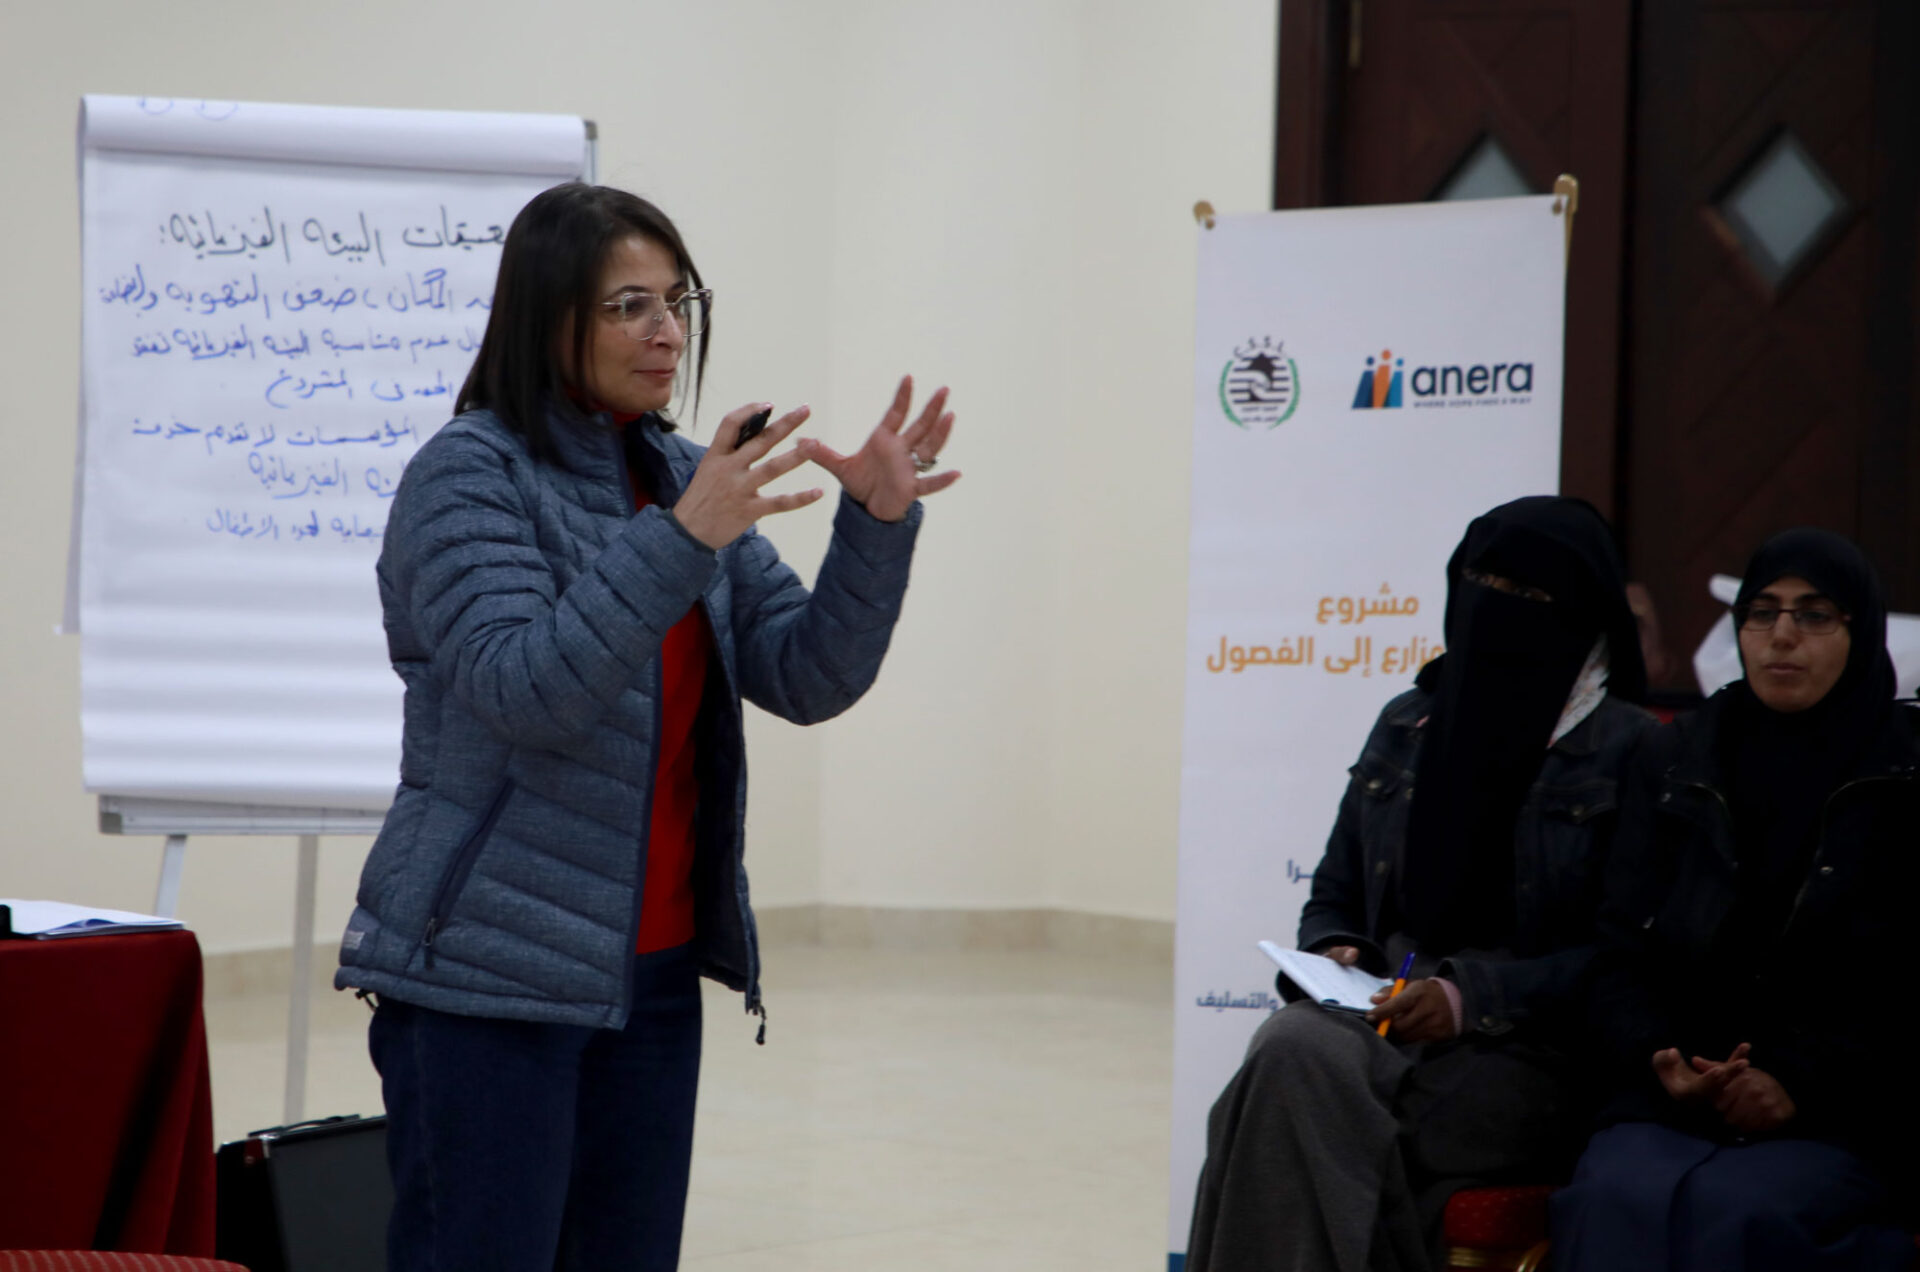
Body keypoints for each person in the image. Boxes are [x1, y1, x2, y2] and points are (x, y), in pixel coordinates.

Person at [332, 182, 960, 1271]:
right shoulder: (468, 475)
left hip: (651, 982)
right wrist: (681, 540)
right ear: (547, 316)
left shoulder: (676, 472)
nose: (668, 332)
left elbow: (806, 675)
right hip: (490, 979)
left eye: (678, 301)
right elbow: (521, 688)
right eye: (630, 305)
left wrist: (876, 524)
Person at [1185, 496, 1653, 1272]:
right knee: (1290, 1046)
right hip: (1383, 1007)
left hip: (1530, 1049)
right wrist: (1336, 951)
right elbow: (1335, 889)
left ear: (1579, 614)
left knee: (1324, 1116)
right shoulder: (1408, 723)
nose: (1493, 610)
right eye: (1479, 583)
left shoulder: (1629, 750)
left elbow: (1622, 958)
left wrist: (1466, 999)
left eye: (1526, 596)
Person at [1551, 529, 1919, 1272]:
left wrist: (1797, 1084)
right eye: (1761, 613)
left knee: (1742, 1216)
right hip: (1671, 1103)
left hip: (1845, 1118)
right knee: (1609, 1197)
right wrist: (1666, 1060)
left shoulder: (1905, 771)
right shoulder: (1677, 758)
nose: (1783, 636)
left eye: (1815, 615)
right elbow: (1618, 950)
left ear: (1862, 628)